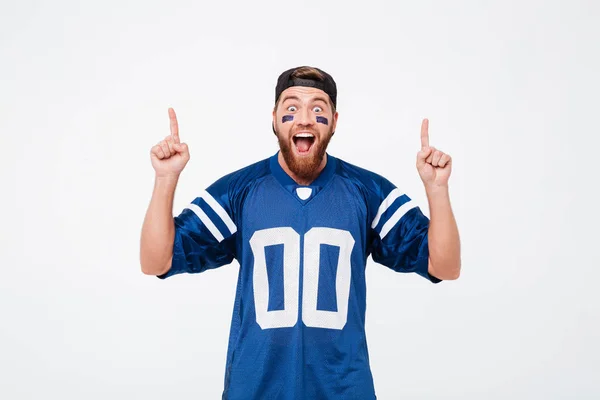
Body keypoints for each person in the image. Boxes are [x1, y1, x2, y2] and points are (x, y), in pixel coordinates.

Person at [140, 66, 461, 399]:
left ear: (334, 121)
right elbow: (156, 261)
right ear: (275, 119)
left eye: (318, 109)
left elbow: (445, 266)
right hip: (255, 390)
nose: (305, 119)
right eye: (291, 108)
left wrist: (437, 189)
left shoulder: (367, 191)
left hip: (343, 390)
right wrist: (165, 179)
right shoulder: (240, 191)